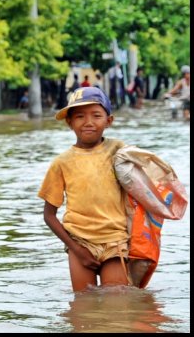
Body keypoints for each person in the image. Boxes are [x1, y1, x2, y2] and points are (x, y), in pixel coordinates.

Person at [38, 87, 130, 292]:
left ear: (109, 121)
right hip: (79, 241)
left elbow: (143, 187)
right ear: (69, 123)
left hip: (116, 241)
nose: (88, 122)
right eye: (79, 116)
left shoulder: (120, 152)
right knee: (83, 307)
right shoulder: (62, 163)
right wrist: (77, 250)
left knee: (117, 303)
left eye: (96, 116)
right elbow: (49, 215)